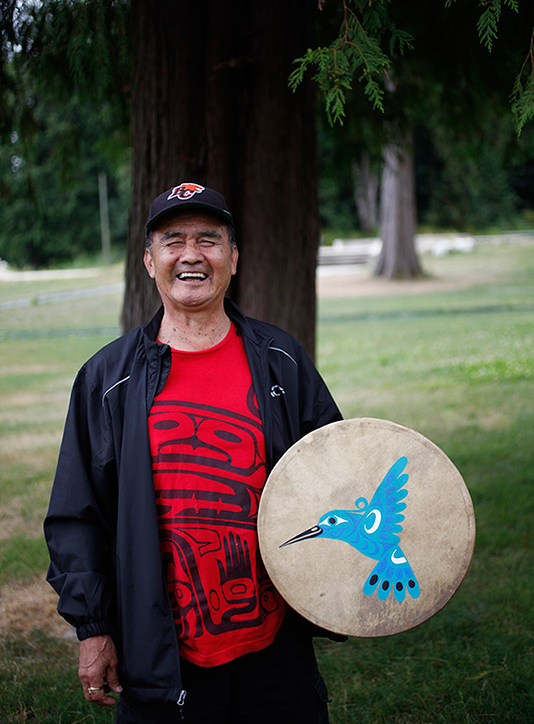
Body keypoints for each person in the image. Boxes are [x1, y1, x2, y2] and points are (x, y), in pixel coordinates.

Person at [44, 183, 342, 723]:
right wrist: (93, 629)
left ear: (233, 257)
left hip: (274, 643)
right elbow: (77, 516)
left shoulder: (281, 360)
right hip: (161, 651)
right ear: (148, 260)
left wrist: (345, 590)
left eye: (209, 239)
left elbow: (337, 476)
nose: (191, 254)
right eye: (173, 240)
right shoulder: (109, 379)